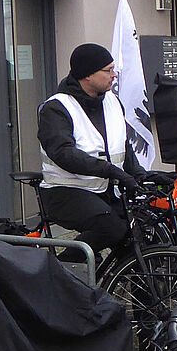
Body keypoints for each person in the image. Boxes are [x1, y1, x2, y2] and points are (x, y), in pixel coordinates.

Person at [37, 42, 147, 253]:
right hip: (65, 192)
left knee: (136, 230)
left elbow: (123, 145)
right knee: (110, 228)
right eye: (108, 70)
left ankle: (121, 280)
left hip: (104, 190)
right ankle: (62, 272)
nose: (114, 75)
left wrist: (141, 174)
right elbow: (63, 153)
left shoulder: (112, 102)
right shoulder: (56, 107)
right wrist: (110, 170)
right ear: (88, 75)